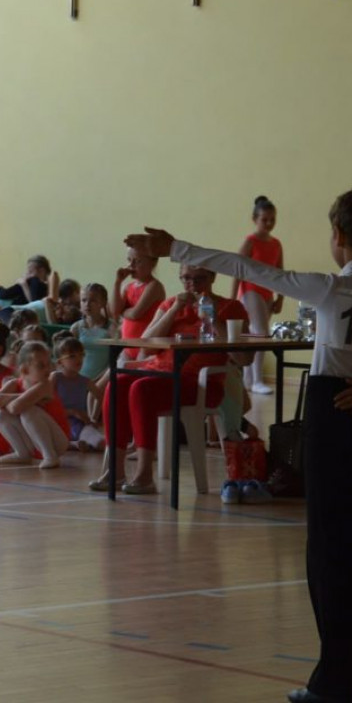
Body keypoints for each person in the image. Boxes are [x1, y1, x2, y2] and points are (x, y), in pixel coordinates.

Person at [127, 205, 352, 703]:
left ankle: (337, 681)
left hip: (336, 419)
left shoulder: (333, 290)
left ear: (338, 234)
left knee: (331, 553)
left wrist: (175, 248)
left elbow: (249, 270)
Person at [89, 263, 249, 494]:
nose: (192, 285)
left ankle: (144, 474)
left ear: (213, 277)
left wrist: (212, 319)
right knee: (118, 382)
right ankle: (114, 469)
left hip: (200, 382)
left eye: (199, 279)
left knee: (142, 388)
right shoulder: (171, 304)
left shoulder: (230, 307)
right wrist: (174, 310)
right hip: (160, 372)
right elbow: (146, 344)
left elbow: (243, 357)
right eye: (186, 279)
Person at [231, 195, 284, 394]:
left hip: (267, 293)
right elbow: (237, 269)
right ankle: (256, 380)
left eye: (272, 219)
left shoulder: (276, 243)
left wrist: (280, 298)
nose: (269, 223)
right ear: (255, 220)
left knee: (257, 333)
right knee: (261, 332)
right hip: (250, 291)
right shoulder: (250, 241)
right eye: (264, 220)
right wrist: (232, 299)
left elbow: (280, 272)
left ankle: (248, 378)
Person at [0, 341, 70, 468]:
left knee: (28, 411)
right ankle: (22, 453)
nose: (47, 369)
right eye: (41, 366)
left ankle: (50, 455)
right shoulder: (15, 383)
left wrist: (10, 400)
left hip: (58, 442)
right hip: (34, 442)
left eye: (48, 364)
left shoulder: (45, 385)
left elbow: (15, 407)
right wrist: (22, 397)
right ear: (25, 369)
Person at [110, 246, 165, 361]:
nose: (131, 265)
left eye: (138, 261)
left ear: (152, 263)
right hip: (128, 347)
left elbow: (136, 314)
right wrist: (117, 282)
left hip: (145, 347)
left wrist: (122, 311)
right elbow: (114, 311)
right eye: (129, 260)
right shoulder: (128, 287)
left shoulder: (154, 286)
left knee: (134, 376)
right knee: (115, 374)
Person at [52, 337, 105, 452]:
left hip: (79, 424)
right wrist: (71, 412)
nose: (78, 359)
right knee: (47, 438)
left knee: (102, 443)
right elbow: (46, 403)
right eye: (72, 356)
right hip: (56, 421)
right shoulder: (55, 378)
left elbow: (100, 397)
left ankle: (78, 444)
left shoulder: (85, 381)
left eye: (81, 354)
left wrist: (93, 418)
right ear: (60, 361)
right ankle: (73, 444)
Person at [70, 282, 116, 382]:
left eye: (93, 301)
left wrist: (100, 380)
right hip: (77, 379)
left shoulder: (111, 328)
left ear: (103, 302)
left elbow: (115, 361)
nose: (87, 304)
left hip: (102, 380)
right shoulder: (76, 328)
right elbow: (68, 358)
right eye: (84, 300)